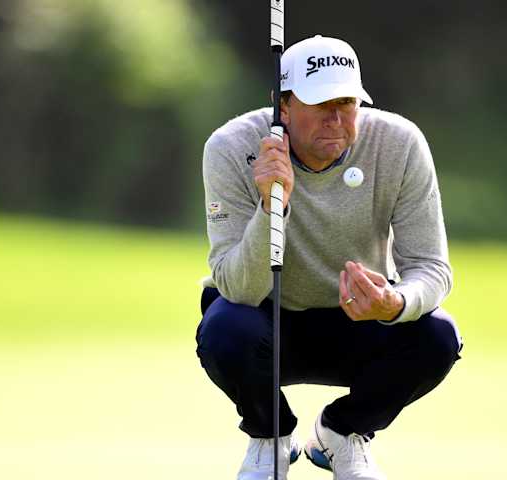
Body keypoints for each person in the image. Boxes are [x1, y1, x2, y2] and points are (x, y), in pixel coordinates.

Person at [196, 35, 462, 480]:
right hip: (269, 321)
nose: (337, 119)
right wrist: (271, 206)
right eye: (321, 105)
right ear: (284, 107)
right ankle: (271, 437)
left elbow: (432, 268)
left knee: (437, 336)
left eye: (347, 103)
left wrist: (394, 303)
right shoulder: (231, 147)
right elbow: (237, 286)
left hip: (361, 321)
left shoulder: (399, 143)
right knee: (225, 328)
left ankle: (342, 433)